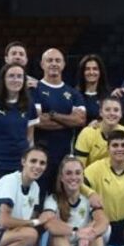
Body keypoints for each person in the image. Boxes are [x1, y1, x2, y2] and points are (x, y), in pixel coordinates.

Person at [39, 155, 111, 246]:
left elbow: (103, 221)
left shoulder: (89, 199)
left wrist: (90, 234)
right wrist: (77, 232)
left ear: (83, 177)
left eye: (78, 173)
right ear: (61, 177)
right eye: (69, 173)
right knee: (58, 234)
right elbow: (50, 225)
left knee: (96, 232)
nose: (74, 177)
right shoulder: (52, 199)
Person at [0, 63, 39, 189]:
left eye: (19, 76)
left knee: (19, 202)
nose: (15, 80)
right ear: (3, 79)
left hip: (21, 162)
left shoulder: (29, 104)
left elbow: (30, 136)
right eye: (11, 76)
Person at [33, 48, 86, 193]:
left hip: (65, 156)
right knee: (39, 199)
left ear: (63, 64)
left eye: (58, 60)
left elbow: (80, 120)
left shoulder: (73, 93)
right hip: (40, 156)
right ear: (42, 64)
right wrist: (68, 120)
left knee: (62, 198)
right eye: (49, 60)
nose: (54, 64)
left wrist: (52, 115)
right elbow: (38, 121)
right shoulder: (34, 89)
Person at [74, 96, 124, 168]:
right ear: (101, 113)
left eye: (116, 110)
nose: (112, 113)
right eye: (107, 110)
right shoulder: (87, 133)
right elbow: (80, 167)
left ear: (121, 114)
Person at [76, 54, 110, 124]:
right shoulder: (74, 95)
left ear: (100, 72)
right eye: (87, 69)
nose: (91, 72)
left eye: (95, 69)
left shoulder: (108, 96)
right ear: (82, 72)